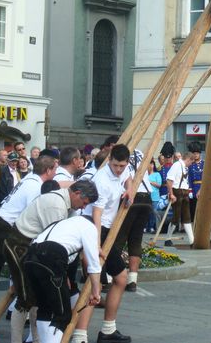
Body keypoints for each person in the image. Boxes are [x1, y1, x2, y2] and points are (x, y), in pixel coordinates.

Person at [7, 180, 98, 342]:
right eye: (84, 203)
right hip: (21, 245)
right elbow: (55, 245)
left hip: (34, 250)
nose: (84, 207)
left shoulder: (67, 208)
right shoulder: (58, 206)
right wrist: (69, 279)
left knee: (42, 304)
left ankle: (36, 339)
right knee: (29, 300)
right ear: (77, 193)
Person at [0, 155, 57, 325]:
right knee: (22, 276)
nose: (56, 173)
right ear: (48, 171)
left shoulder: (28, 180)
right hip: (4, 229)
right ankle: (24, 312)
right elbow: (33, 216)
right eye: (55, 170)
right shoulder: (35, 186)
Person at [74, 144, 133, 343]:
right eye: (116, 166)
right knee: (94, 283)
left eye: (122, 166)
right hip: (95, 228)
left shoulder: (125, 170)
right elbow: (96, 215)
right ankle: (80, 335)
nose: (119, 170)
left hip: (109, 230)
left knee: (121, 278)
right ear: (109, 161)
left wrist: (130, 190)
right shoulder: (101, 181)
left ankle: (108, 329)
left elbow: (129, 177)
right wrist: (96, 244)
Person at [24, 215, 102, 343]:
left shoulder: (61, 224)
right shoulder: (89, 227)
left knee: (45, 309)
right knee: (62, 316)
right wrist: (95, 292)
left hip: (30, 256)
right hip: (51, 256)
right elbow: (93, 265)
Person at [115, 149, 154, 292]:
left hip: (131, 196)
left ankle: (107, 277)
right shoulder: (140, 153)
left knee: (119, 237)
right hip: (147, 197)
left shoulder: (118, 154)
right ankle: (132, 280)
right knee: (136, 239)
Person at [167, 152, 194, 245]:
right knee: (176, 217)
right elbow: (169, 180)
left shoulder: (185, 167)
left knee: (187, 217)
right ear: (188, 159)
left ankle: (192, 241)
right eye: (191, 162)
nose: (191, 164)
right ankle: (168, 238)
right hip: (177, 193)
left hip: (185, 193)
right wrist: (171, 194)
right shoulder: (176, 165)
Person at [187, 142, 204, 222]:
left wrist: (201, 190)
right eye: (194, 153)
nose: (196, 155)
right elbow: (189, 178)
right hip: (193, 188)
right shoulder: (190, 165)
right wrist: (190, 190)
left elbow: (205, 178)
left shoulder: (204, 164)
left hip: (202, 188)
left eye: (197, 153)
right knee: (193, 209)